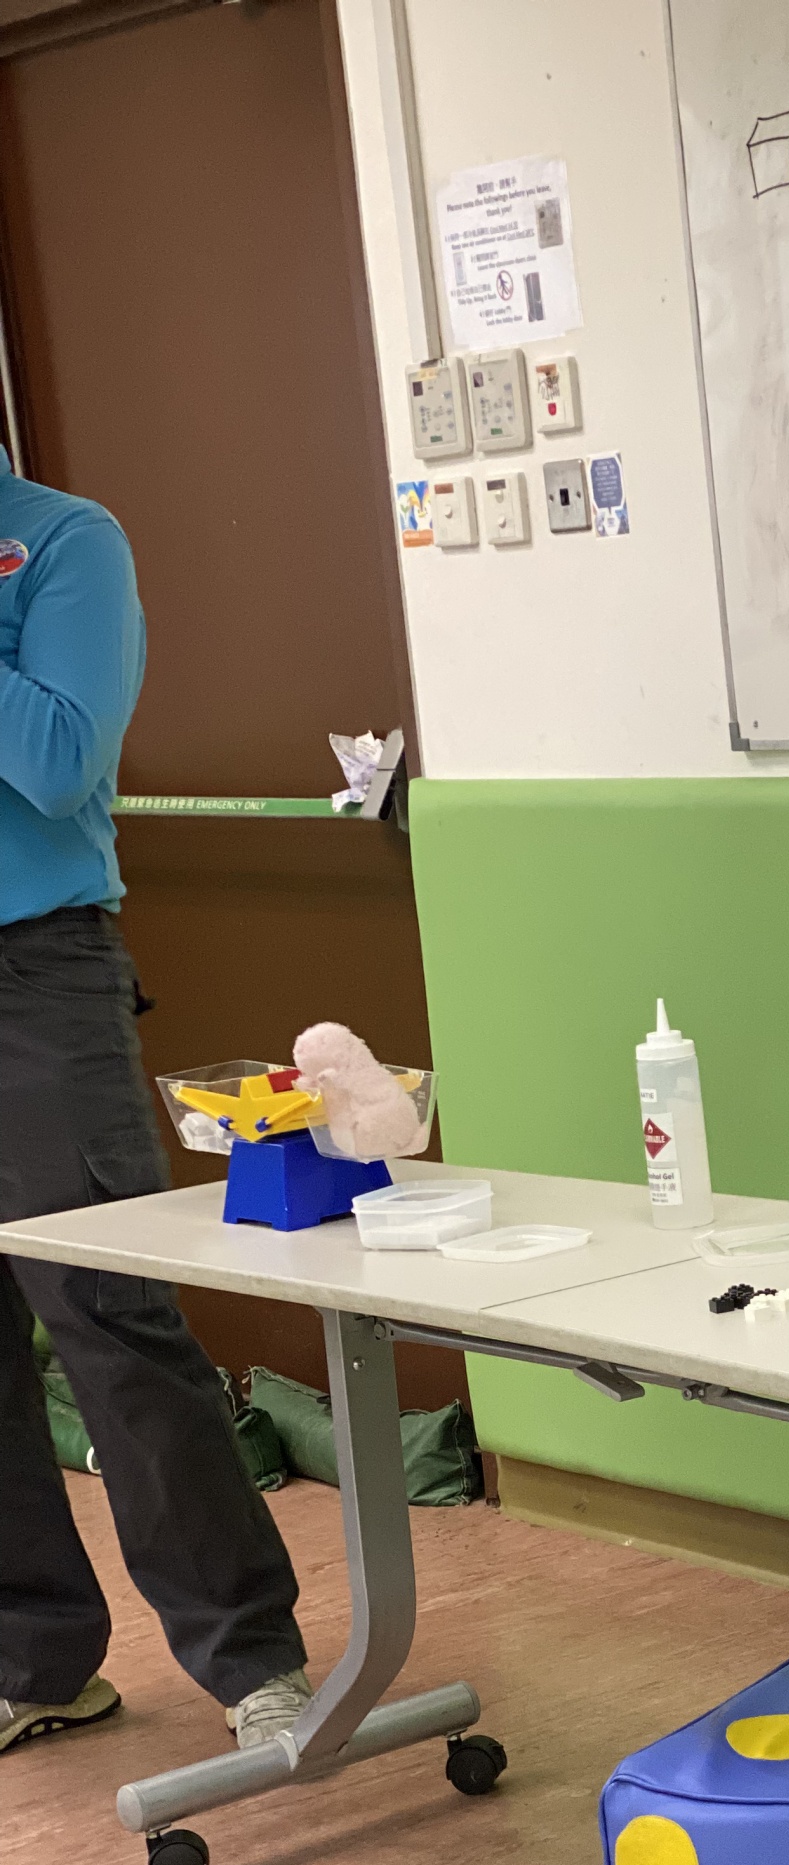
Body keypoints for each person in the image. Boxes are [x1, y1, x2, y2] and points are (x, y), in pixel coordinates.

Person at [0, 441, 313, 1754]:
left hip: (34, 974)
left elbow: (59, 761)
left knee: (109, 1317)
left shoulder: (66, 540)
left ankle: (253, 1661)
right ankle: (34, 1664)